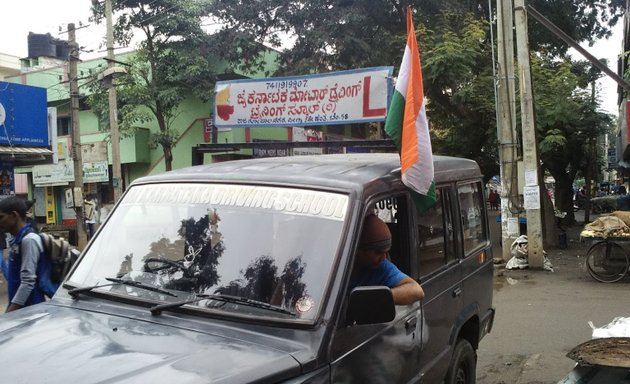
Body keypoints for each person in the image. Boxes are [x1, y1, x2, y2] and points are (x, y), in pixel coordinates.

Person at [350, 214, 424, 305]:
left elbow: (416, 290)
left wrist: (372, 298)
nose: (384, 257)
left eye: (386, 252)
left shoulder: (381, 267)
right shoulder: (335, 265)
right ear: (357, 249)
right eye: (378, 253)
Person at [0, 197, 57, 312]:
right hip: (21, 308)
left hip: (30, 310)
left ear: (14, 216)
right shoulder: (18, 239)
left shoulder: (29, 240)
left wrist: (11, 311)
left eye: (1, 217)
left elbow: (28, 282)